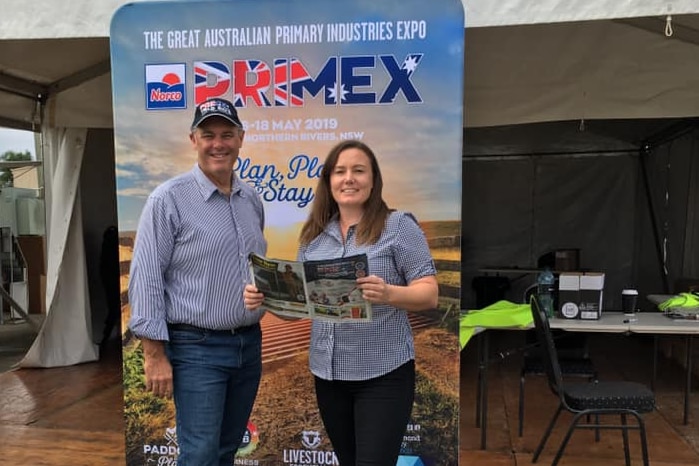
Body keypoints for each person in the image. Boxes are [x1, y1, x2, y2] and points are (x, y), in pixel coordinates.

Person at [244, 139, 438, 466]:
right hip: (329, 376)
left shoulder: (398, 226)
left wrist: (389, 293)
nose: (349, 178)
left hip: (383, 374)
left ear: (373, 180)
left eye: (358, 171)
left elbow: (429, 293)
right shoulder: (313, 239)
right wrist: (269, 300)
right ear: (328, 181)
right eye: (340, 171)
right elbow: (302, 308)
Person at [128, 97, 267, 466]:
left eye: (226, 134)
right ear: (193, 139)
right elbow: (146, 278)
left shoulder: (250, 199)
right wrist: (154, 354)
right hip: (196, 349)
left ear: (241, 139)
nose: (217, 143)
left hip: (248, 346)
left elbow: (252, 268)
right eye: (208, 135)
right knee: (201, 454)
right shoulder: (168, 200)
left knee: (226, 450)